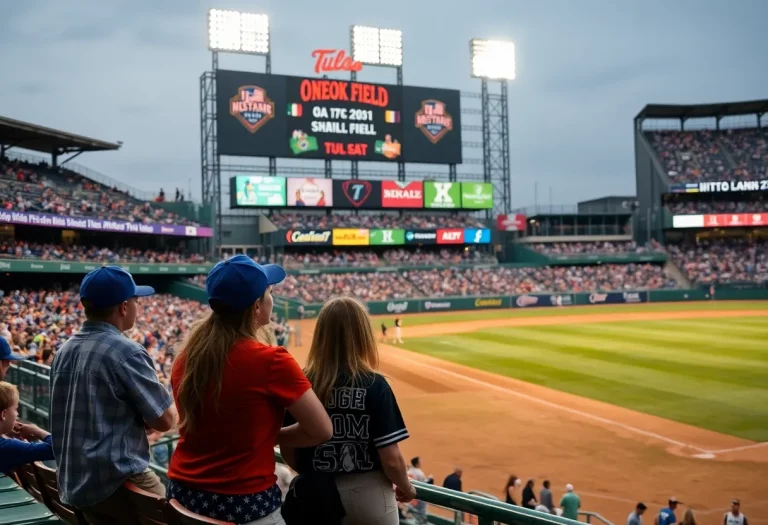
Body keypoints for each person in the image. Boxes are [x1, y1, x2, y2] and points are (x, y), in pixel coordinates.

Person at [168, 255, 332, 524]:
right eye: (270, 292)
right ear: (257, 306)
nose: (272, 298)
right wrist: (269, 436)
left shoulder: (187, 356)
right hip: (244, 503)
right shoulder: (273, 361)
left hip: (182, 497)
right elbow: (322, 430)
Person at [50, 266, 178, 525]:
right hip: (117, 481)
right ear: (123, 307)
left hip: (75, 484)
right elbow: (165, 420)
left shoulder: (63, 350)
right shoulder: (126, 351)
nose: (137, 306)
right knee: (175, 517)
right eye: (136, 300)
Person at [281, 297, 415, 525]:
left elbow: (289, 450)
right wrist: (407, 487)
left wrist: (316, 473)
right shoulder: (376, 384)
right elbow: (391, 460)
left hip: (316, 492)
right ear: (363, 336)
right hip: (369, 495)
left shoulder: (301, 381)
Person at [0, 382, 55, 472]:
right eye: (16, 409)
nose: (17, 414)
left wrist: (4, 431)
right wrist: (36, 430)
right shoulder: (6, 447)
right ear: (3, 414)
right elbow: (56, 448)